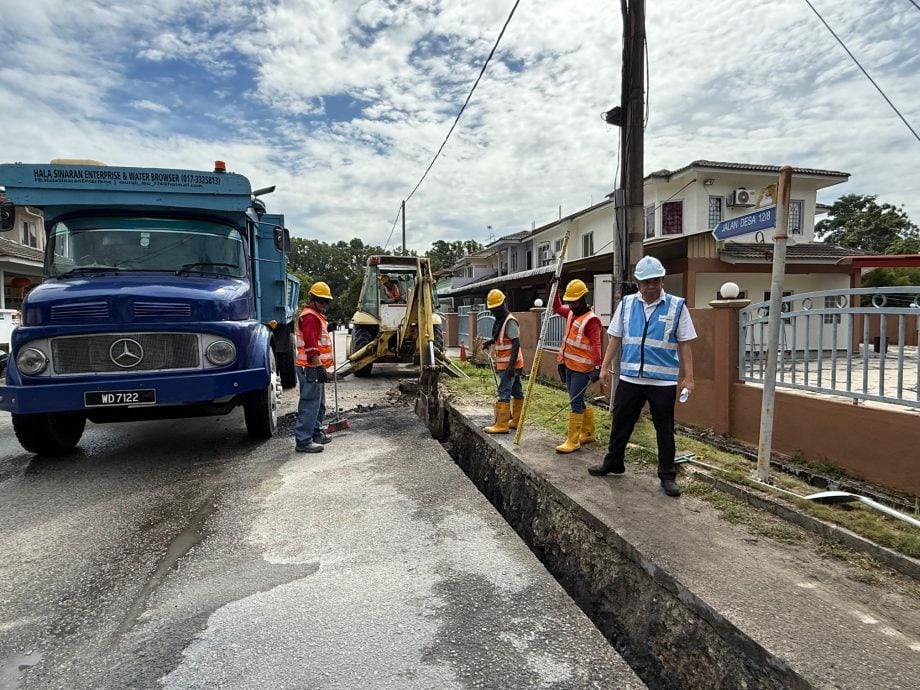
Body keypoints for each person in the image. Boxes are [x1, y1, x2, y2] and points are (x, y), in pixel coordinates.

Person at [591, 256, 696, 498]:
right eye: (646, 282)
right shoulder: (626, 304)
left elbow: (685, 344)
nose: (651, 286)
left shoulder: (677, 306)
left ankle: (667, 475)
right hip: (630, 378)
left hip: (663, 381)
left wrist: (689, 378)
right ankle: (614, 462)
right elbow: (615, 337)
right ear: (638, 283)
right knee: (620, 423)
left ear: (662, 280)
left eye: (655, 281)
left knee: (664, 429)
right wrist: (604, 367)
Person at [552, 278, 603, 453]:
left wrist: (597, 367)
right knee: (577, 399)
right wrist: (555, 290)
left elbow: (597, 345)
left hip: (582, 369)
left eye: (574, 302)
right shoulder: (572, 313)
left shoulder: (591, 320)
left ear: (582, 299)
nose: (571, 306)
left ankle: (573, 441)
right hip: (569, 365)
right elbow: (557, 308)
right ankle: (588, 432)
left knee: (575, 401)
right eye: (570, 302)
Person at [294, 281, 335, 453]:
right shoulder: (310, 317)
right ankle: (303, 441)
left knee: (319, 403)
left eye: (327, 301)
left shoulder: (316, 316)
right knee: (310, 403)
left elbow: (318, 338)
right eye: (321, 300)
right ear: (312, 299)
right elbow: (311, 346)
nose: (325, 304)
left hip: (315, 367)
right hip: (310, 367)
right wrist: (318, 367)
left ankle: (316, 433)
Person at [481, 289, 525, 433]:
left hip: (510, 365)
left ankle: (502, 424)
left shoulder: (509, 321)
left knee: (504, 392)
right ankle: (516, 421)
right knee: (517, 391)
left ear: (503, 305)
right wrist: (490, 342)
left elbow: (516, 343)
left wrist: (511, 366)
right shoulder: (501, 321)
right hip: (511, 364)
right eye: (492, 309)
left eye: (495, 308)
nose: (493, 311)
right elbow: (501, 337)